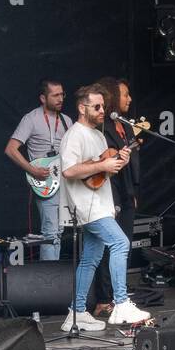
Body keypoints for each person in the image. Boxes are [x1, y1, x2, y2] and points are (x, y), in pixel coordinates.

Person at [58, 84, 151, 331]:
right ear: (81, 108)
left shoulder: (99, 135)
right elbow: (69, 170)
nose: (102, 111)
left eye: (103, 106)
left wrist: (120, 160)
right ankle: (120, 304)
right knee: (120, 243)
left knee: (90, 258)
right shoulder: (74, 135)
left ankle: (76, 314)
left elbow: (102, 172)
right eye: (96, 107)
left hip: (100, 204)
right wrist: (103, 166)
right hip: (87, 206)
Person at [5, 79, 72, 261]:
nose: (60, 98)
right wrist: (32, 169)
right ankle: (48, 283)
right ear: (43, 98)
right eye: (55, 95)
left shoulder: (67, 121)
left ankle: (54, 279)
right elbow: (11, 149)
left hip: (64, 181)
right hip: (44, 181)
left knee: (58, 231)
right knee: (51, 231)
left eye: (62, 94)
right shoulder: (31, 118)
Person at [93, 76, 141, 316]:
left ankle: (119, 295)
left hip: (126, 191)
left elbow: (132, 162)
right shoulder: (103, 126)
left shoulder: (127, 126)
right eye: (125, 95)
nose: (129, 99)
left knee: (125, 244)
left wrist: (133, 190)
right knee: (108, 246)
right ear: (113, 96)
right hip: (108, 191)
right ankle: (104, 297)